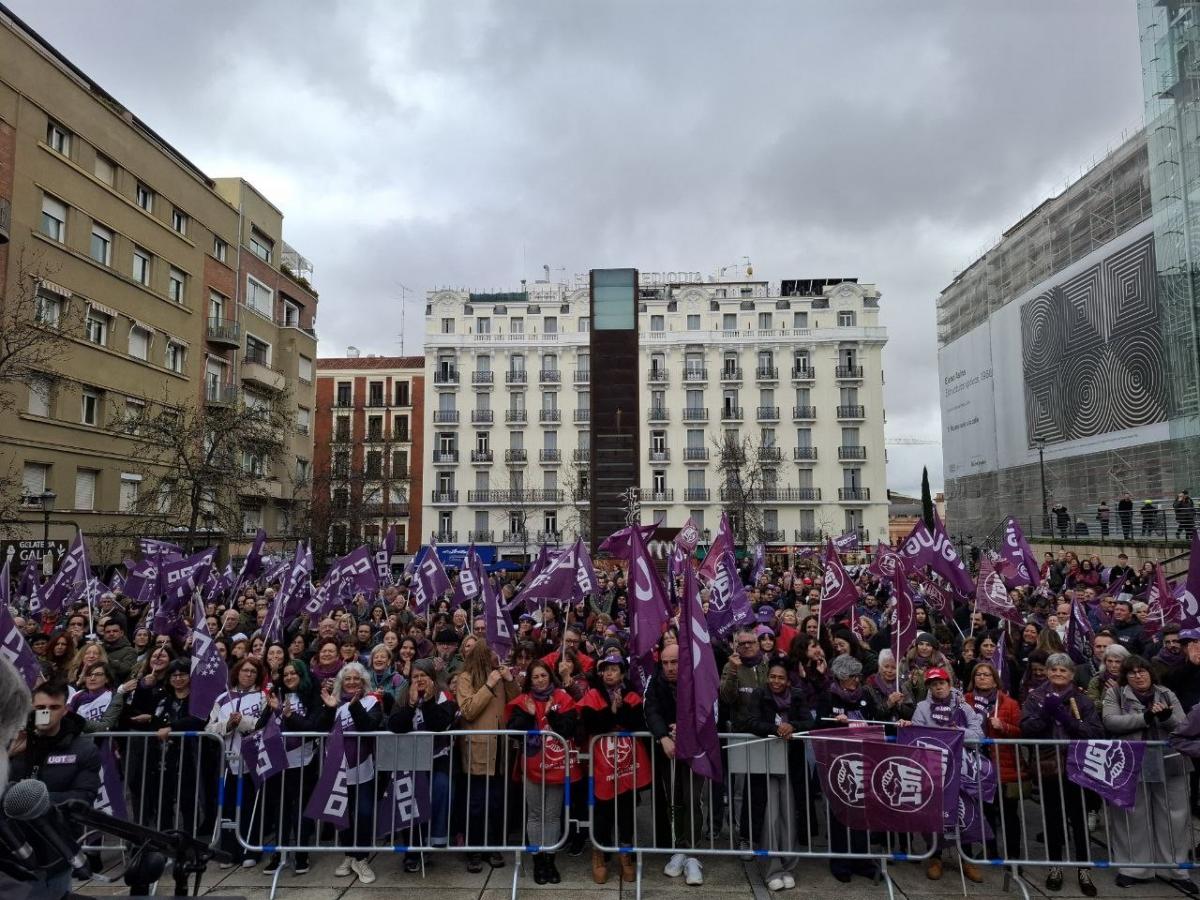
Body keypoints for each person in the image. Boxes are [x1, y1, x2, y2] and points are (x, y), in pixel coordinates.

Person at [1101, 655, 1193, 892]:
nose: (1138, 676)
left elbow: (1184, 725)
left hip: (1169, 760)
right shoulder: (1116, 694)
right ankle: (1133, 868)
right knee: (1132, 815)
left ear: (1151, 673)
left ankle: (1175, 868)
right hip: (1132, 761)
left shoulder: (1166, 693)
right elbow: (1111, 721)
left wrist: (1165, 718)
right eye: (1132, 672)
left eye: (1142, 671)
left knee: (1174, 816)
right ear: (1125, 676)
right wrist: (1144, 718)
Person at [6, 678, 100, 896]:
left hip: (55, 845)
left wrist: (31, 800)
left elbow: (82, 799)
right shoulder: (15, 742)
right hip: (13, 844)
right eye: (40, 708)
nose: (46, 712)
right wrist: (7, 755)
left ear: (65, 710)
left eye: (53, 707)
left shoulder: (83, 749)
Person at [1020, 653, 1102, 896]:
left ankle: (1083, 869)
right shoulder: (1036, 697)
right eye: (1053, 669)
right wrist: (1046, 714)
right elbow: (1026, 728)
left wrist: (1067, 720)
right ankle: (1055, 866)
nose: (1058, 674)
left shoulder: (1081, 700)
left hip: (1077, 766)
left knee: (1078, 819)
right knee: (1053, 818)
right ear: (1046, 671)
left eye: (1063, 670)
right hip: (1048, 766)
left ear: (1071, 674)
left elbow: (1095, 732)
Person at [505, 659, 578, 884]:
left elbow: (568, 729)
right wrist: (528, 715)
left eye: (543, 676)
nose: (539, 680)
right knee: (535, 815)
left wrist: (552, 715)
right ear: (530, 679)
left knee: (552, 815)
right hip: (532, 767)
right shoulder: (522, 701)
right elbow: (513, 730)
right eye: (535, 676)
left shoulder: (563, 698)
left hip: (556, 766)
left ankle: (550, 859)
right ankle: (537, 860)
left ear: (550, 676)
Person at [577, 654, 647, 885]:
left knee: (626, 810)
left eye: (614, 669)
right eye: (606, 669)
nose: (609, 673)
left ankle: (625, 855)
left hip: (626, 764)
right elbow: (590, 723)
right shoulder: (593, 695)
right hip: (600, 765)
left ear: (623, 673)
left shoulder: (632, 695)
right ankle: (599, 854)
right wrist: (613, 714)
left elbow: (637, 722)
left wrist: (620, 711)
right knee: (601, 811)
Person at [910, 667, 984, 883]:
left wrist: (958, 731)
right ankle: (935, 856)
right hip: (934, 769)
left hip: (960, 768)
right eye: (933, 684)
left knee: (963, 812)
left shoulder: (964, 707)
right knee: (935, 815)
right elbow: (917, 733)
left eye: (941, 683)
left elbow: (978, 736)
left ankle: (966, 858)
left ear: (949, 684)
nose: (938, 687)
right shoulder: (922, 707)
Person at [746, 660, 813, 892]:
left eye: (780, 677)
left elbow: (809, 722)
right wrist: (776, 729)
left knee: (789, 814)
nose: (775, 681)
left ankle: (788, 865)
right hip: (765, 764)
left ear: (788, 680)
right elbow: (751, 722)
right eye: (772, 676)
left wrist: (792, 725)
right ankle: (772, 867)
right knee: (771, 816)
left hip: (791, 765)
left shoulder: (797, 695)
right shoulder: (759, 694)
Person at [387, 658, 458, 873]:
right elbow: (395, 725)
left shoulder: (443, 696)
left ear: (432, 678)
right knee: (411, 802)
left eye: (423, 676)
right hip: (411, 758)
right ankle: (411, 850)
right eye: (415, 677)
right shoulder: (403, 696)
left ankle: (432, 841)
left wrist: (427, 702)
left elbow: (439, 725)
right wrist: (410, 705)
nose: (419, 680)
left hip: (438, 758)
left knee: (440, 789)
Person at [644, 641, 705, 887]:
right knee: (674, 800)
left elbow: (707, 709)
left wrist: (687, 729)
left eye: (675, 662)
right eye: (666, 662)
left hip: (695, 752)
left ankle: (694, 853)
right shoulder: (655, 681)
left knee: (693, 800)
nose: (669, 667)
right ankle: (679, 847)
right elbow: (651, 710)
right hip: (668, 751)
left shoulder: (697, 678)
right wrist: (663, 737)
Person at [455, 637, 519, 873]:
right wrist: (489, 685)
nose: (499, 656)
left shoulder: (501, 676)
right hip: (478, 749)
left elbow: (517, 703)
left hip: (499, 749)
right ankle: (473, 850)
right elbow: (468, 710)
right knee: (476, 803)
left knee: (495, 803)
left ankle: (492, 846)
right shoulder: (465, 678)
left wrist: (510, 681)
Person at [318, 661, 384, 884]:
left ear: (363, 681)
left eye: (357, 678)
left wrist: (356, 706)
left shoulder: (371, 701)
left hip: (363, 767)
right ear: (341, 682)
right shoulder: (333, 703)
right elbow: (320, 729)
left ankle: (362, 857)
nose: (352, 682)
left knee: (364, 812)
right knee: (342, 815)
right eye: (348, 679)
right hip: (337, 767)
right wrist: (328, 709)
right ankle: (349, 855)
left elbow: (369, 729)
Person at [964, 660, 1024, 862]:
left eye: (986, 674)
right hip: (977, 764)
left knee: (1008, 813)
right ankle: (990, 849)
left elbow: (1020, 732)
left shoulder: (1008, 703)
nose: (982, 677)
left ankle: (1013, 854)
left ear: (995, 679)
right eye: (978, 674)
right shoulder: (966, 701)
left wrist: (1004, 726)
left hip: (1003, 765)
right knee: (985, 811)